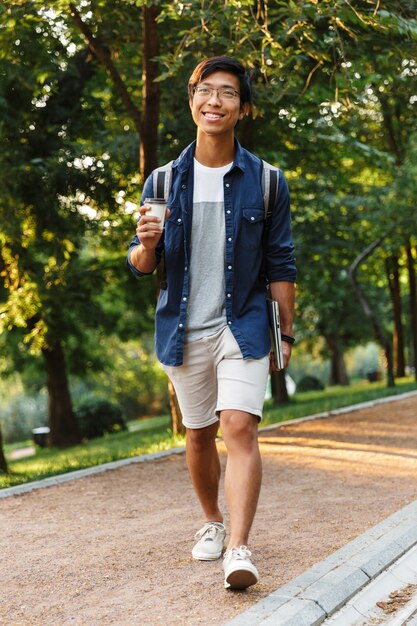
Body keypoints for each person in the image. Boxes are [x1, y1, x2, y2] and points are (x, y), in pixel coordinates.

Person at [127, 56, 296, 590]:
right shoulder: (162, 179)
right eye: (205, 90)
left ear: (243, 109)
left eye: (226, 93)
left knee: (238, 426)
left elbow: (281, 264)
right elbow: (139, 262)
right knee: (198, 433)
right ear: (193, 100)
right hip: (182, 327)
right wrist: (146, 246)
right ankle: (213, 522)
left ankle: (240, 550)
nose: (214, 101)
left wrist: (285, 333)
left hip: (241, 323)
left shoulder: (267, 182)